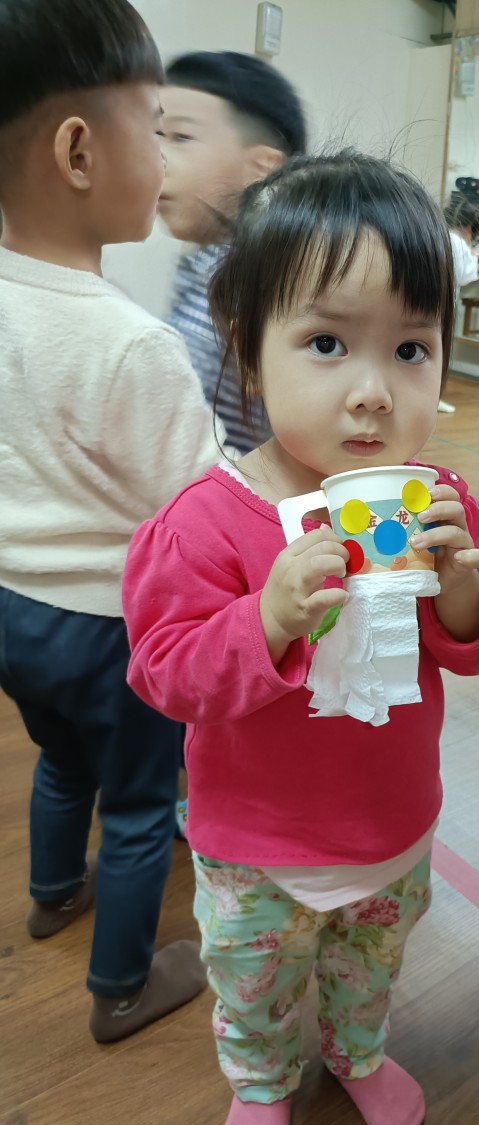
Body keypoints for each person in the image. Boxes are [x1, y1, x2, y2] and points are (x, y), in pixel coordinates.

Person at [123, 151, 479, 1125]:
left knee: (368, 970)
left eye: (411, 349)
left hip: (392, 827)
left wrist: (463, 590)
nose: (373, 393)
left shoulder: (437, 502)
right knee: (254, 984)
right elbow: (164, 673)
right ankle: (261, 1084)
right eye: (328, 343)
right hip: (254, 848)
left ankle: (357, 1054)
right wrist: (265, 618)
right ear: (249, 354)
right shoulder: (205, 520)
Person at [0, 0, 224, 1041]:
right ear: (80, 151)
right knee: (136, 804)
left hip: (14, 611)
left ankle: (53, 894)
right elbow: (197, 501)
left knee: (60, 760)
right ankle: (123, 987)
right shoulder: (134, 346)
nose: (165, 159)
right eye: (157, 126)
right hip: (108, 626)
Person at [159, 51, 307, 454]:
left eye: (181, 138)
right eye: (154, 135)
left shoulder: (257, 280)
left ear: (262, 167)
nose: (157, 158)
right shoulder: (203, 264)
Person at [439, 196, 479, 414]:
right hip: (444, 304)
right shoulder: (459, 243)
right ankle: (434, 396)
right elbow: (466, 276)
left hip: (423, 300)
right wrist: (474, 255)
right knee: (441, 349)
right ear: (470, 227)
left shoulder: (437, 236)